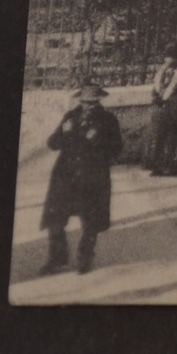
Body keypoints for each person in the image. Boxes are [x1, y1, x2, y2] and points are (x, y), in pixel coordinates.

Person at [39, 82, 124, 275]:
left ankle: (85, 257)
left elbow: (117, 149)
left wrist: (98, 140)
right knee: (55, 217)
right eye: (86, 102)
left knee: (91, 220)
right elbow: (52, 143)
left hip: (93, 177)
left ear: (99, 101)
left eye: (93, 102)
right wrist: (65, 132)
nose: (88, 106)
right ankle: (57, 257)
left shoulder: (108, 120)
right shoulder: (70, 117)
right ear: (80, 101)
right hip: (65, 175)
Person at [144, 42, 177, 176]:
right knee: (158, 136)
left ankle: (176, 166)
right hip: (162, 106)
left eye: (170, 57)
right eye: (166, 57)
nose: (167, 60)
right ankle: (157, 165)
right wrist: (155, 97)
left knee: (176, 136)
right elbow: (156, 87)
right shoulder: (162, 70)